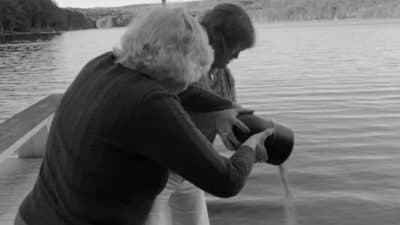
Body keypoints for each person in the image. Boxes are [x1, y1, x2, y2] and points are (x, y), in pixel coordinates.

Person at [14, 7, 271, 225]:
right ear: (177, 65)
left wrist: (221, 109)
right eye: (191, 72)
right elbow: (227, 181)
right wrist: (249, 148)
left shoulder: (104, 65)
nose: (186, 85)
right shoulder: (150, 103)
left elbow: (184, 93)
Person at [146, 3, 260, 225]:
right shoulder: (178, 63)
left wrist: (251, 145)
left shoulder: (225, 77)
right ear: (218, 39)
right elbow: (167, 95)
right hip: (155, 173)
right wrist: (216, 113)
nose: (237, 56)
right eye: (236, 48)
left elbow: (229, 134)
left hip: (191, 172)